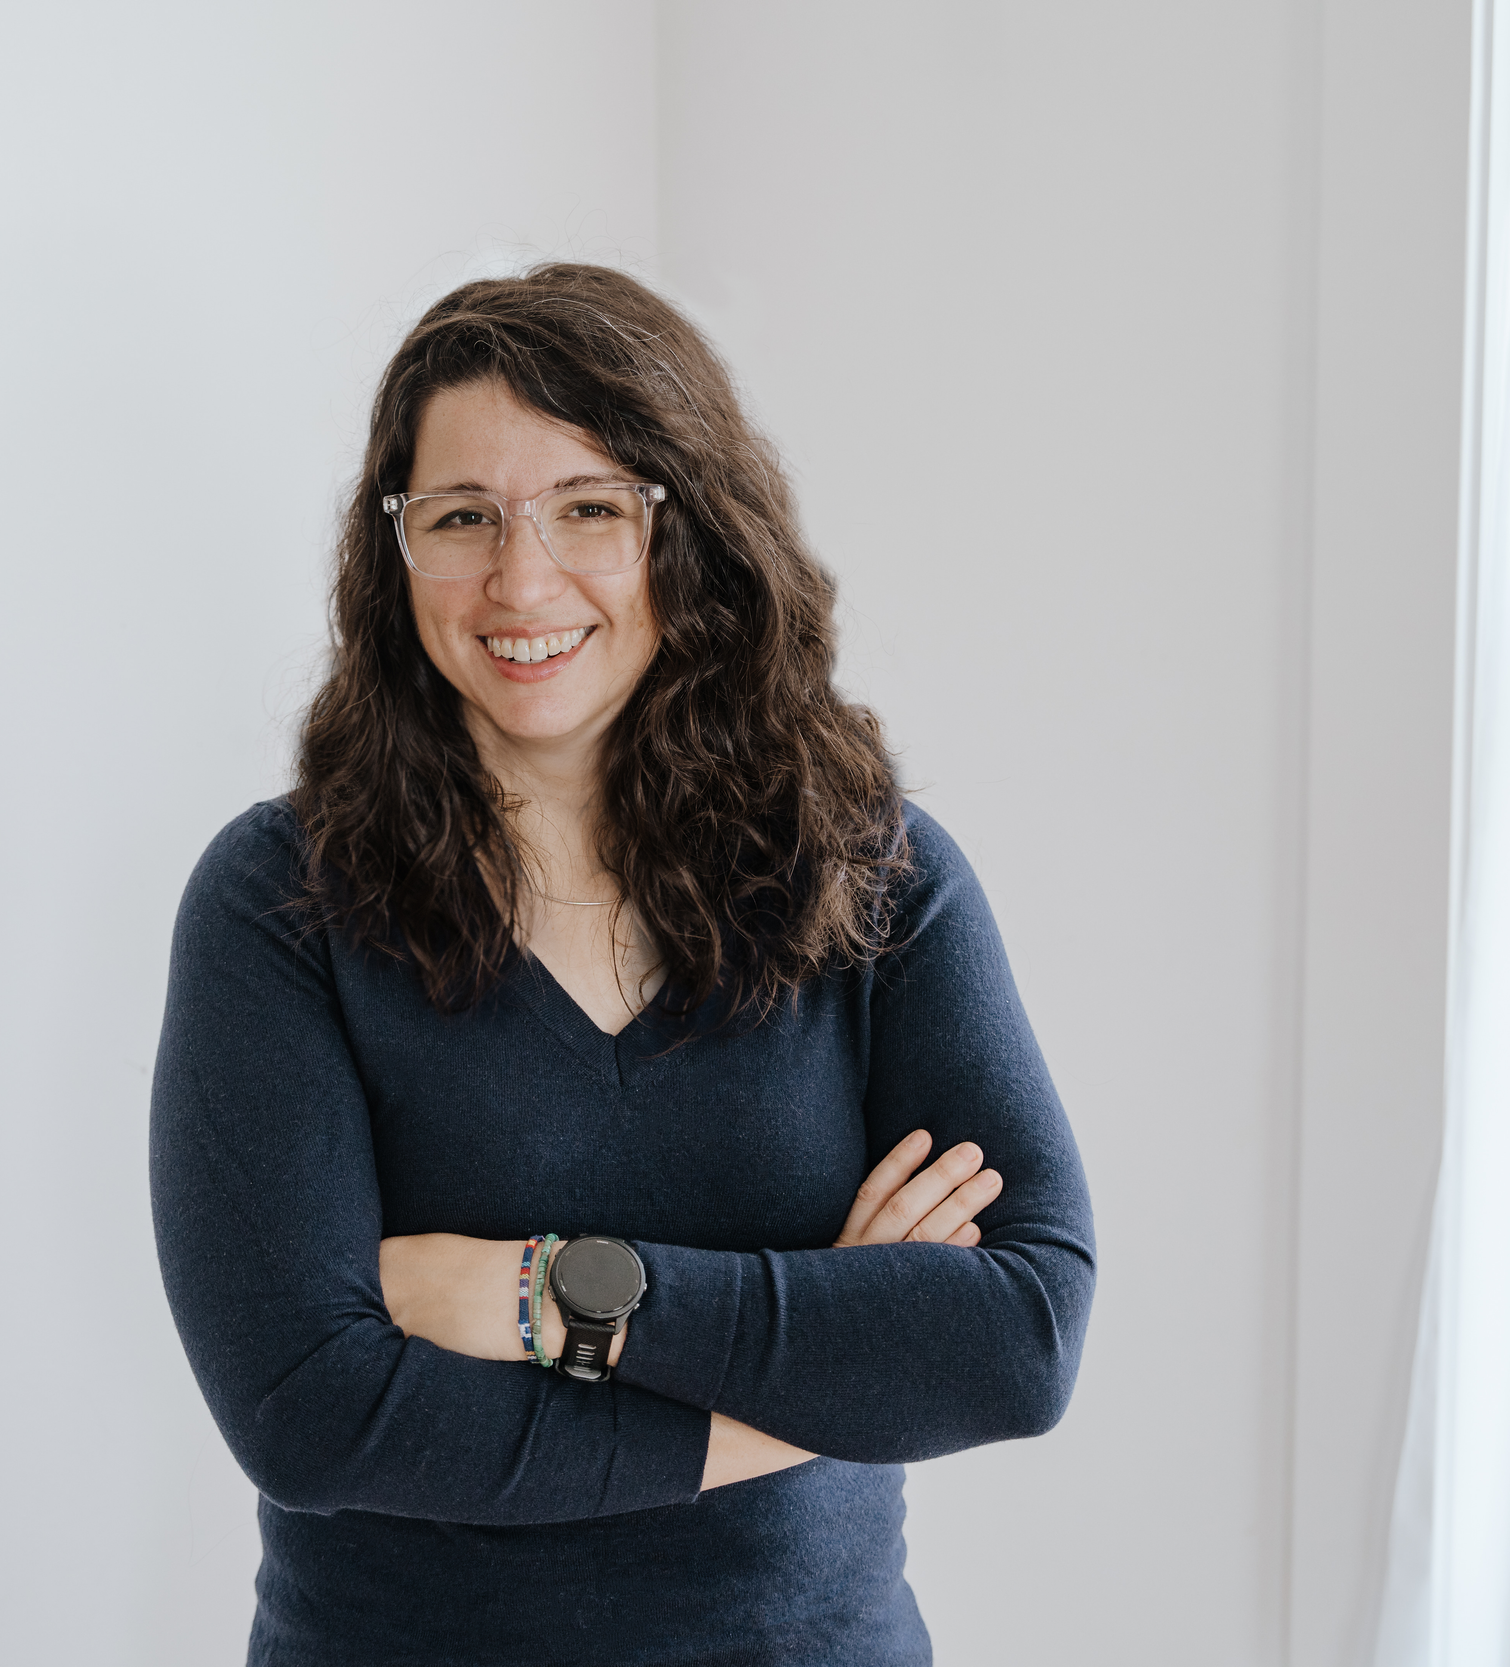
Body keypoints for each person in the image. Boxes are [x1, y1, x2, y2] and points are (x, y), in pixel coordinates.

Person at [150, 263, 1095, 1666]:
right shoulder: (279, 904)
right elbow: (312, 1409)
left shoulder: (871, 871)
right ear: (394, 549)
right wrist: (815, 1371)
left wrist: (546, 1295)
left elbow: (1017, 1337)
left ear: (690, 525)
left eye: (590, 508)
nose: (522, 579)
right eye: (463, 517)